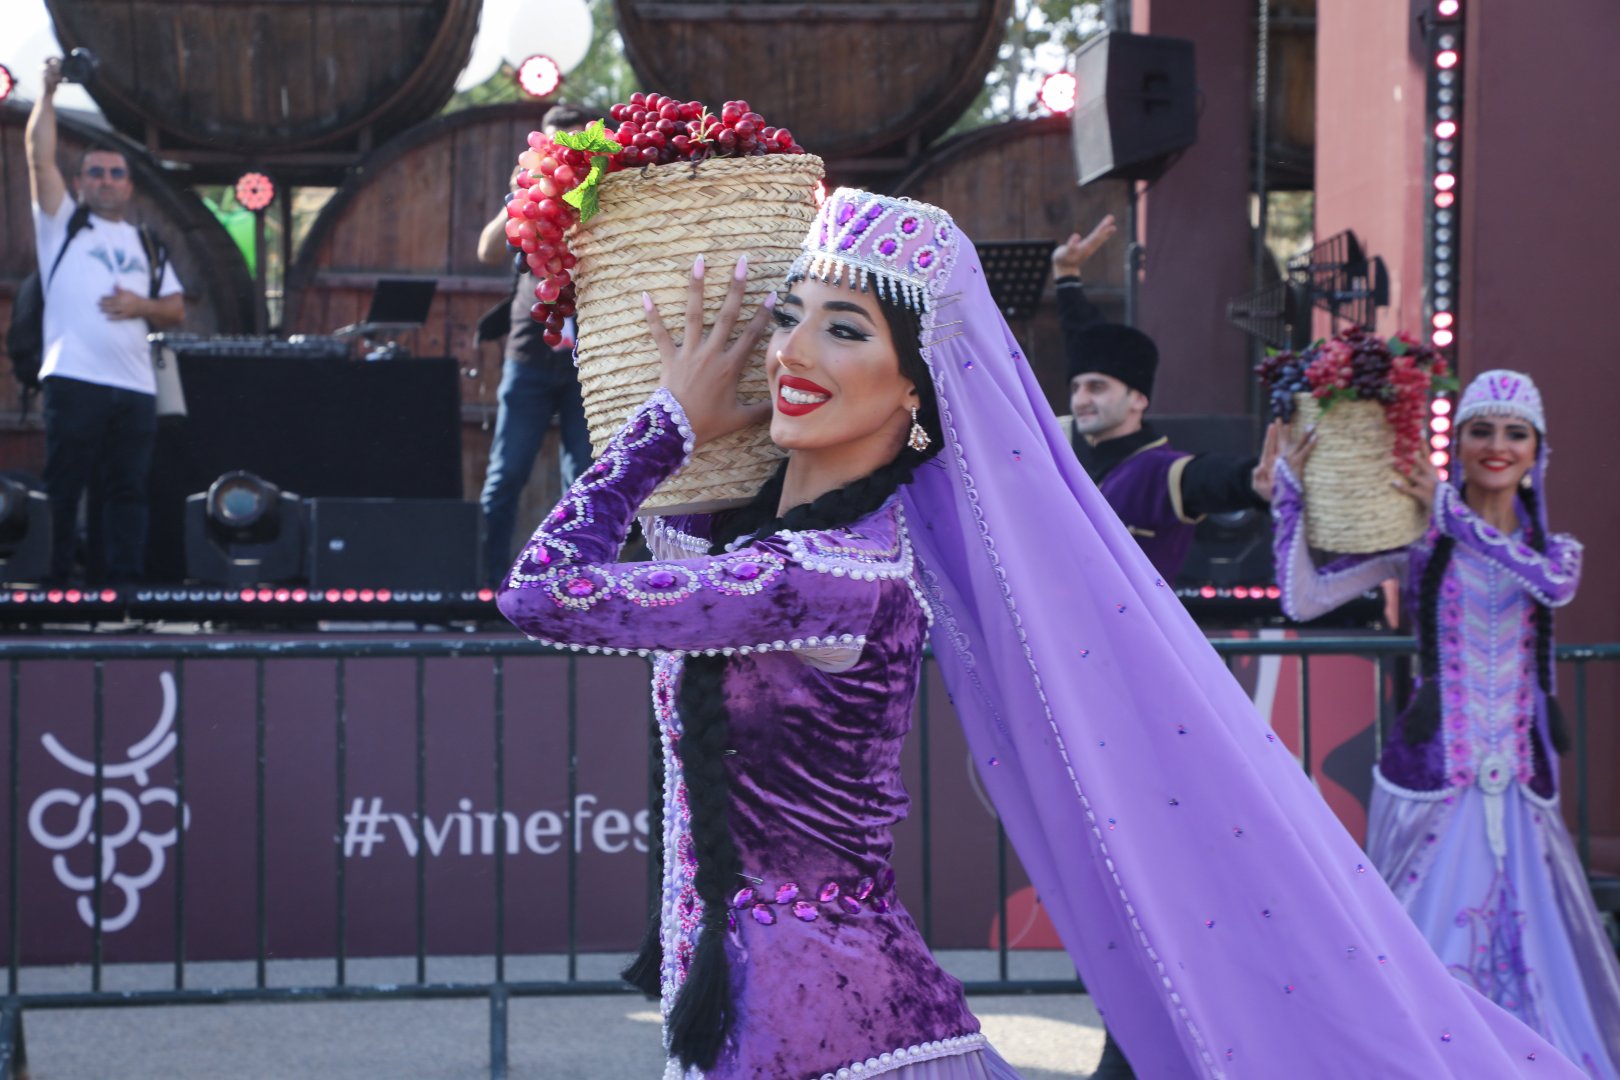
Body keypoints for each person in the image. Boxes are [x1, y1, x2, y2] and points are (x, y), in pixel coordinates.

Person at [498, 190, 1582, 1078]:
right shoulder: (808, 556)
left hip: (830, 1038)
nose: (797, 349)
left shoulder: (824, 575)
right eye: (792, 314)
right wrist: (686, 441)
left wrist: (668, 426)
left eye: (847, 327)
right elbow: (671, 573)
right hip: (769, 1018)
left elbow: (541, 591)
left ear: (916, 397)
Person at [1263, 370, 1620, 1076]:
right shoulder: (1419, 536)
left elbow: (1549, 585)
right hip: (1431, 779)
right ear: (1458, 442)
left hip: (1520, 788)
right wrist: (1290, 497)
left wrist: (1452, 516)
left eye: (1514, 433)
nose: (1497, 445)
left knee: (1531, 952)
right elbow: (1305, 599)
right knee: (1410, 940)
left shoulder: (1558, 553)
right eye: (1480, 430)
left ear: (1536, 450)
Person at [26, 57, 186, 585]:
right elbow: (37, 157)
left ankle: (123, 590)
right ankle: (53, 587)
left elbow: (177, 308)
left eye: (117, 174)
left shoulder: (145, 242)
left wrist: (140, 306)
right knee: (63, 486)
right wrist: (47, 94)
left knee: (127, 490)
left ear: (129, 187)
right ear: (80, 181)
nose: (107, 180)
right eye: (96, 172)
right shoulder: (65, 224)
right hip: (75, 375)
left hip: (135, 384)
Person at [1053, 218, 1269, 582]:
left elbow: (1206, 478)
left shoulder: (1156, 470)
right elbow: (1084, 338)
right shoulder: (1072, 445)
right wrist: (1066, 274)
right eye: (1076, 388)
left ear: (1138, 399)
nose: (1081, 400)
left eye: (1097, 388)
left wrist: (1250, 484)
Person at [474, 102, 596, 584]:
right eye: (553, 144)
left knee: (583, 482)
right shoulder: (527, 192)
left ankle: (573, 584)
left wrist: (587, 181)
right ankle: (482, 590)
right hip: (528, 353)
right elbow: (486, 249)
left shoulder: (597, 189)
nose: (562, 153)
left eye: (574, 144)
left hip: (588, 362)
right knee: (505, 477)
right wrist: (517, 194)